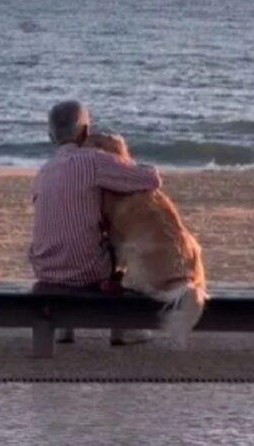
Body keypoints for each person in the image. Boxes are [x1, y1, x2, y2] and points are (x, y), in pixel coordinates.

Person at [29, 100, 161, 345]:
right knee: (121, 244)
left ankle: (65, 327)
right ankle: (123, 329)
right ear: (86, 131)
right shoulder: (93, 161)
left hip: (45, 269)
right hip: (87, 271)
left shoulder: (43, 172)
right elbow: (151, 179)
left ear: (50, 137)